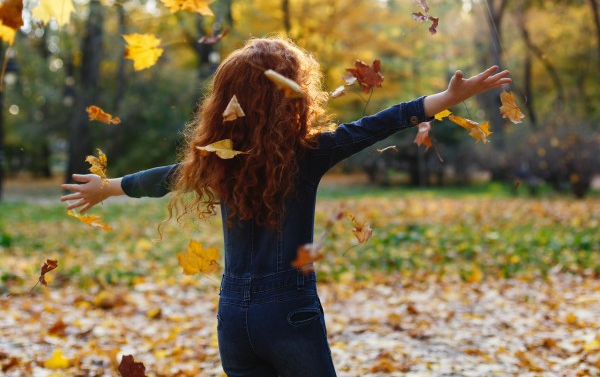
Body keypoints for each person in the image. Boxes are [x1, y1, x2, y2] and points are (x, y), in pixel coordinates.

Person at [61, 37, 511, 377]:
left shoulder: (217, 161)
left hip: (233, 315)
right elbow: (380, 123)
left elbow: (161, 179)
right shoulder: (308, 153)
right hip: (289, 315)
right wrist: (448, 100)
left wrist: (107, 188)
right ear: (292, 96)